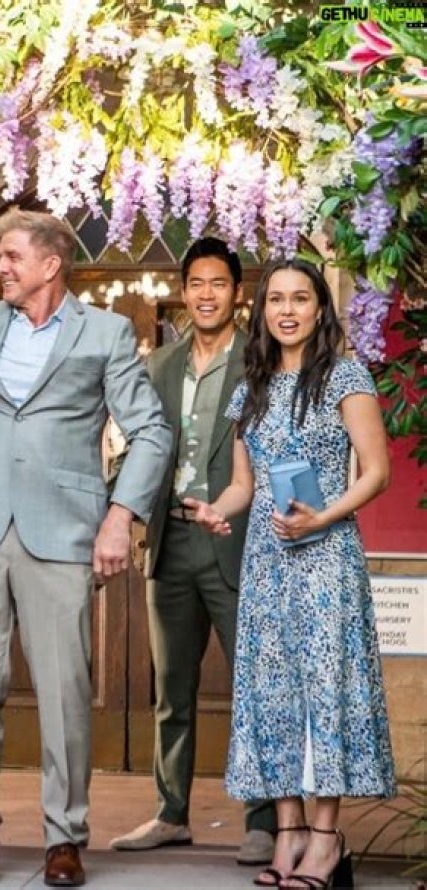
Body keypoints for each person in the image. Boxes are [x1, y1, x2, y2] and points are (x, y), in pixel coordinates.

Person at [0, 207, 172, 887]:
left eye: (11, 256)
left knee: (64, 691)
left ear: (50, 264)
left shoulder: (105, 333)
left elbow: (151, 432)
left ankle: (65, 837)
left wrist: (120, 516)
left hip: (63, 532)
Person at [186, 259, 396, 888]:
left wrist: (322, 516)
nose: (287, 310)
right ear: (262, 311)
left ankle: (327, 840)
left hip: (326, 557)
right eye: (276, 299)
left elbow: (377, 471)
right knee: (272, 693)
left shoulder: (346, 376)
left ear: (319, 308)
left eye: (300, 299)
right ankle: (289, 834)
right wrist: (216, 510)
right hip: (267, 561)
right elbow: (243, 485)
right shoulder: (250, 386)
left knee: (325, 690)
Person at [110, 238, 276, 864]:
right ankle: (170, 812)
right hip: (172, 540)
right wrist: (119, 513)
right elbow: (136, 447)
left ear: (237, 293)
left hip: (239, 540)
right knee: (171, 688)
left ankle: (263, 820)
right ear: (184, 292)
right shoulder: (159, 365)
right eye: (197, 284)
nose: (207, 295)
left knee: (254, 685)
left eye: (218, 284)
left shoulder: (262, 364)